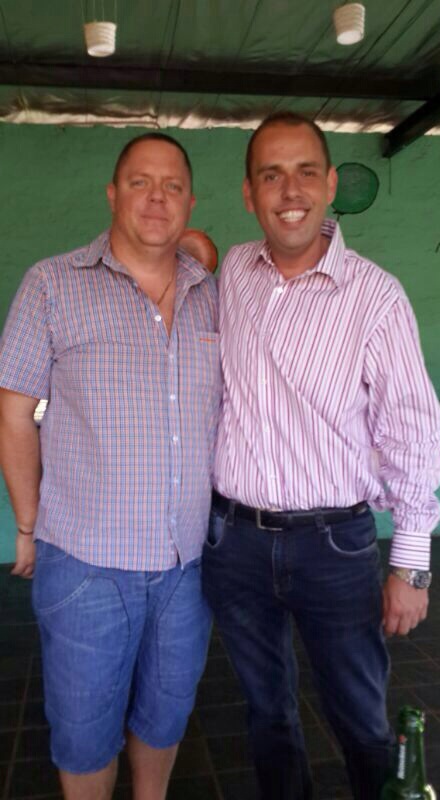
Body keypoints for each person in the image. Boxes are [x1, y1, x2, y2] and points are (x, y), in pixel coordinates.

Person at [202, 112, 440, 800]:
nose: (291, 190)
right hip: (235, 543)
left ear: (331, 184)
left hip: (335, 546)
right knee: (268, 716)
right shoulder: (232, 276)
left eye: (306, 171)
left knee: (361, 720)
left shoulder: (375, 295)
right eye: (271, 175)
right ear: (249, 193)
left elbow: (415, 429)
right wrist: (190, 247)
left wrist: (411, 565)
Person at [0, 132, 221, 800]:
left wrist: (198, 250)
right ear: (112, 194)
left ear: (190, 202)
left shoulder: (214, 292)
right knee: (84, 733)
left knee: (165, 717)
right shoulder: (52, 283)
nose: (157, 198)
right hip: (86, 565)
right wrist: (28, 525)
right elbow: (15, 413)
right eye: (139, 182)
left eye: (173, 186)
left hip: (189, 567)